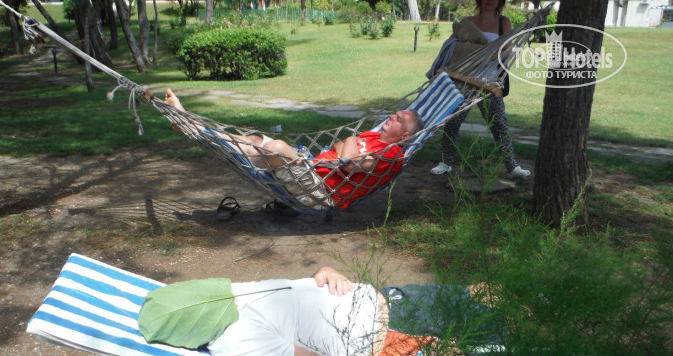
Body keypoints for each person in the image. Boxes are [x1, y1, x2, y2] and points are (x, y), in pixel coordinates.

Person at [203, 267, 491, 356]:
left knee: (483, 293)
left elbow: (288, 309)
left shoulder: (222, 298)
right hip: (396, 336)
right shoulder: (242, 349)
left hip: (388, 298)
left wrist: (321, 274)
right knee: (502, 327)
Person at [164, 89, 424, 209]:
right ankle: (192, 124)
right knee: (254, 141)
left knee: (274, 147)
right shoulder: (373, 136)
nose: (392, 116)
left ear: (405, 135)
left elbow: (348, 162)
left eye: (399, 119)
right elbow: (341, 148)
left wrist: (349, 142)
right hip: (311, 168)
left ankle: (192, 126)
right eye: (396, 114)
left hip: (320, 192)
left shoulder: (392, 156)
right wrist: (349, 145)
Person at [430, 0, 531, 180]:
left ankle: (512, 167)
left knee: (499, 125)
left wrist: (490, 53)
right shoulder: (467, 22)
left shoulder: (503, 22)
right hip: (464, 81)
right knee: (452, 122)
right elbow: (451, 46)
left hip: (489, 83)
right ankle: (445, 163)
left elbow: (507, 51)